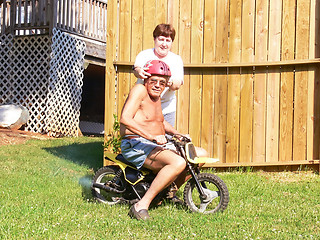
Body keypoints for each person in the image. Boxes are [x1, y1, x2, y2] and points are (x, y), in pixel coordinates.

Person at [120, 60, 206, 220]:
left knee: (199, 154)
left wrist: (177, 134)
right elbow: (125, 118)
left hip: (154, 143)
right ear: (146, 80)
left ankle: (166, 193)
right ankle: (141, 205)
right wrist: (151, 136)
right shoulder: (139, 90)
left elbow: (159, 121)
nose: (158, 85)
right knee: (178, 162)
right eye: (154, 81)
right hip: (135, 143)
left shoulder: (156, 97)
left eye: (162, 82)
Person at [132, 23, 184, 127]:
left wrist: (171, 83)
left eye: (168, 40)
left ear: (171, 42)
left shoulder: (176, 59)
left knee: (166, 139)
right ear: (155, 39)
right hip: (143, 106)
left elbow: (178, 83)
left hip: (166, 107)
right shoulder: (144, 55)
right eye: (161, 39)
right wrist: (139, 71)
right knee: (143, 139)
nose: (164, 44)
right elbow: (136, 69)